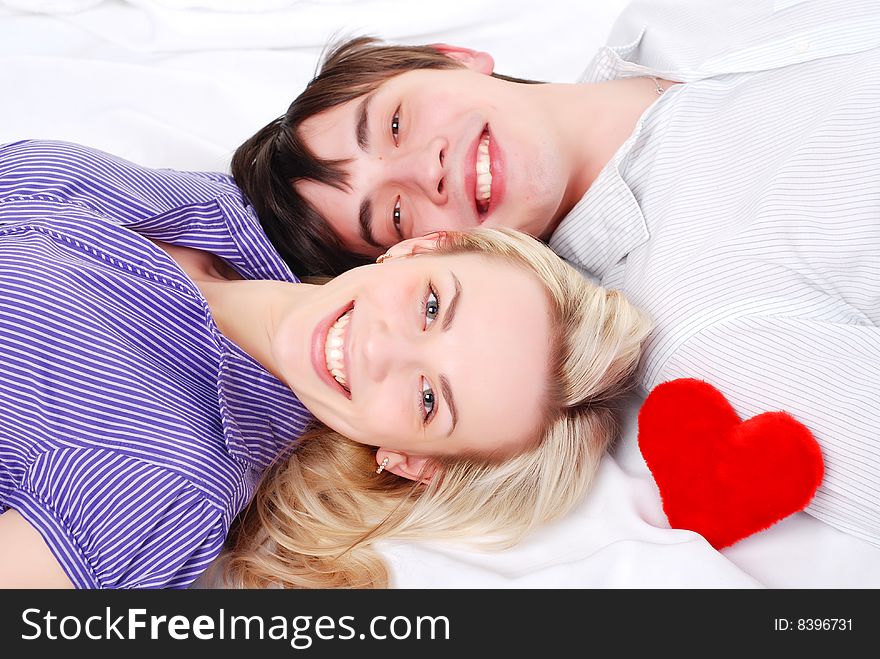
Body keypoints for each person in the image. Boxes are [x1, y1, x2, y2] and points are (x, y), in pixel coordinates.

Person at [231, 0, 880, 547]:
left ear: (451, 55)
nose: (420, 171)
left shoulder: (672, 16)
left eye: (394, 123)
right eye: (396, 214)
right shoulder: (707, 326)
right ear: (437, 247)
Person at [0, 139, 651, 588]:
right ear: (423, 248)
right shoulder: (227, 205)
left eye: (429, 399)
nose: (381, 348)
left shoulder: (165, 487)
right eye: (431, 305)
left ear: (410, 461)